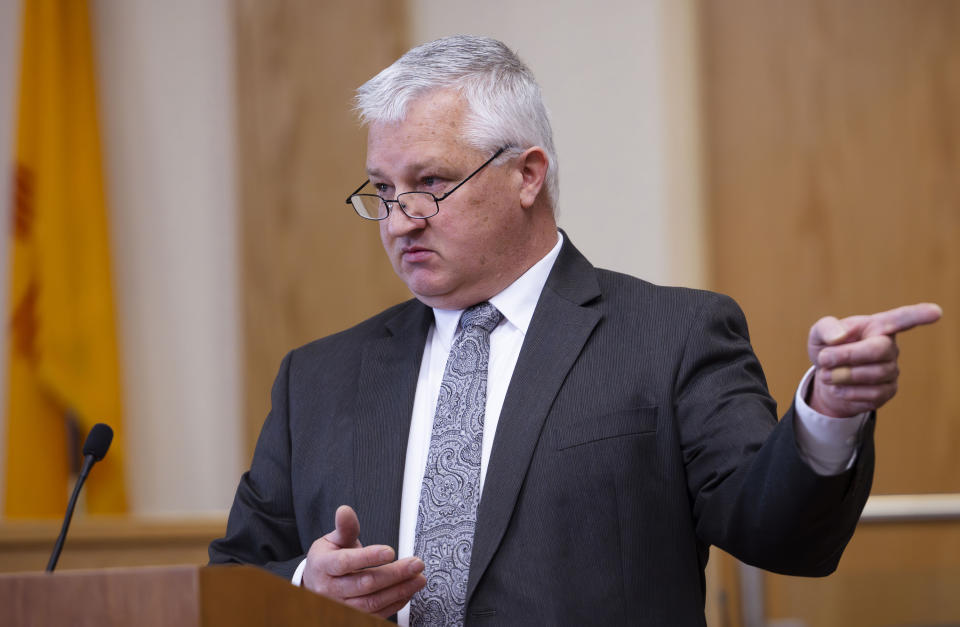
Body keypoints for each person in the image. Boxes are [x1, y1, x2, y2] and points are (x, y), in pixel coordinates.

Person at [209, 35, 941, 625]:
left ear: (528, 174)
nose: (401, 218)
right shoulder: (319, 377)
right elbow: (231, 579)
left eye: (431, 184)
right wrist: (306, 583)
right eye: (384, 189)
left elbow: (778, 532)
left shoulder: (672, 336)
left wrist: (831, 414)